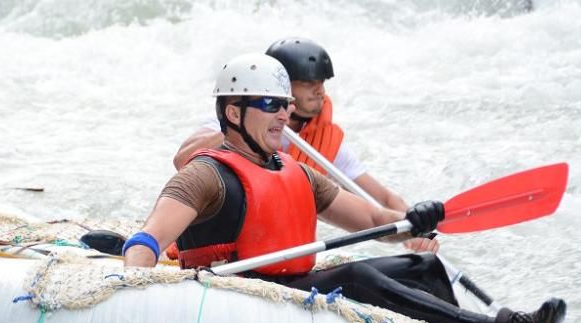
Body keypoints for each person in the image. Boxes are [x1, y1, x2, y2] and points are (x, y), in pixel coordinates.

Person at [122, 52, 566, 323]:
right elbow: (147, 240)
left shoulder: (296, 173)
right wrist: (134, 288)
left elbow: (376, 224)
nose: (284, 115)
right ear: (233, 113)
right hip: (236, 295)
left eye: (286, 105)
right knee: (356, 278)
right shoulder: (206, 175)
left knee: (425, 267)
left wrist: (416, 217)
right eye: (271, 105)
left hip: (289, 285)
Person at [172, 37, 435, 253]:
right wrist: (243, 127)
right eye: (308, 83)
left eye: (321, 82)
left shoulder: (324, 143)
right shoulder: (238, 116)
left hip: (278, 248)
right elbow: (183, 160)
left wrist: (413, 224)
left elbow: (382, 202)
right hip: (226, 244)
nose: (319, 91)